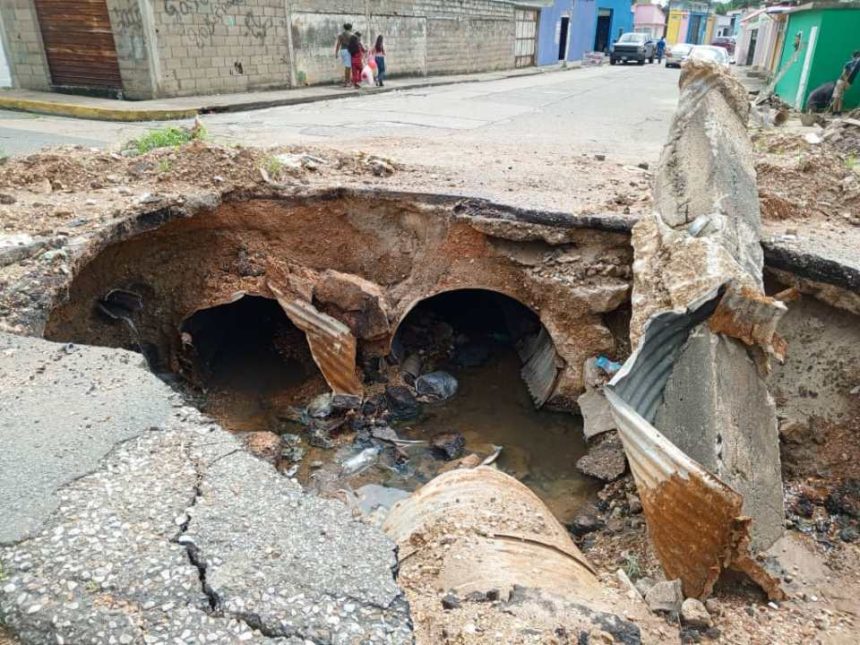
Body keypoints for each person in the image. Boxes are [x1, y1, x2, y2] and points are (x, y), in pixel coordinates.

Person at [833, 50, 860, 116]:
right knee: (837, 97)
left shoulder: (857, 64)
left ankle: (838, 112)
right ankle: (834, 112)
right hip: (842, 81)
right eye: (856, 56)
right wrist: (845, 81)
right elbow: (843, 74)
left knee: (840, 97)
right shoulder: (848, 64)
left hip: (848, 83)